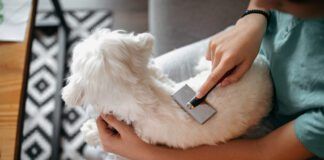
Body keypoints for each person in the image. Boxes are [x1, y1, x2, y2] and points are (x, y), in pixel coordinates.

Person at [96, 0, 324, 159]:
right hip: (238, 50)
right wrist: (254, 18)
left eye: (286, 3)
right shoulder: (268, 6)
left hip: (270, 129)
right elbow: (261, 4)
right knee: (106, 104)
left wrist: (145, 154)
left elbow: (263, 152)